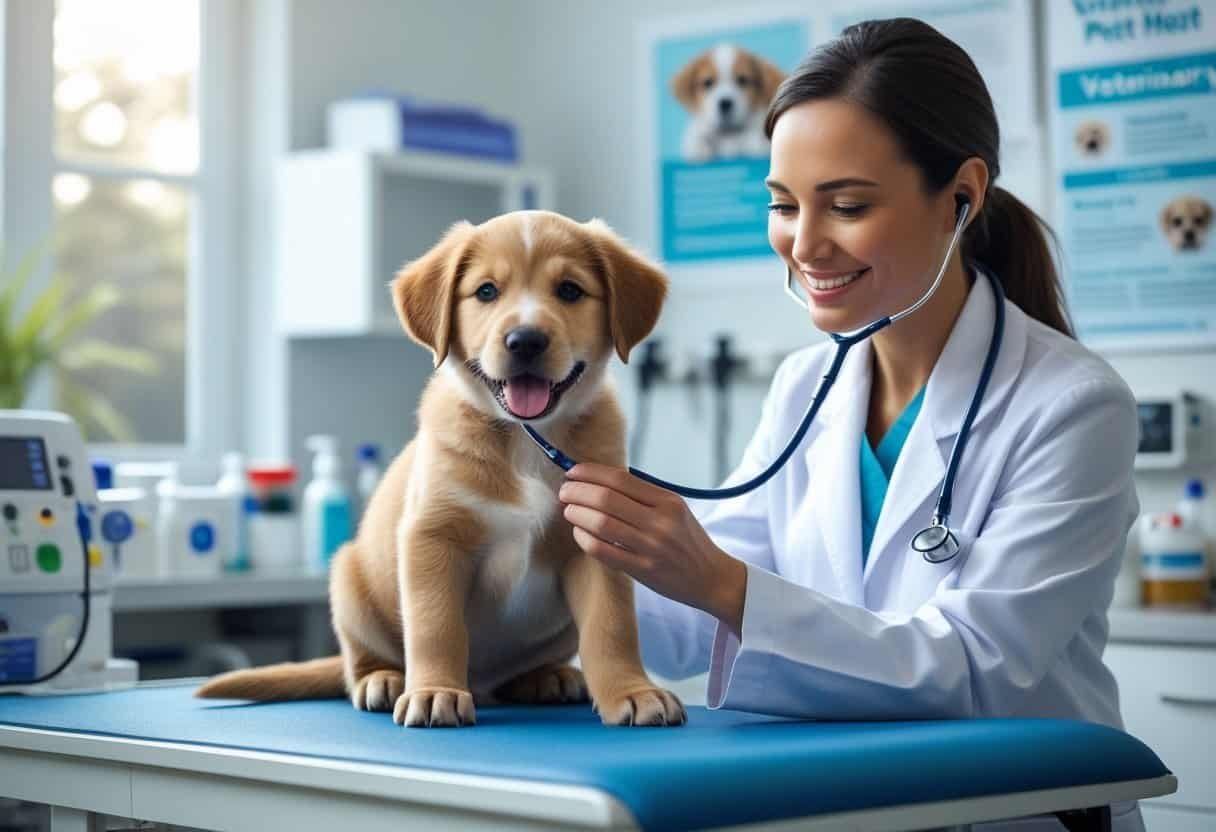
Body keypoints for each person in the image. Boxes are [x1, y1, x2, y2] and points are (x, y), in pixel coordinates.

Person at [557, 17, 1143, 832]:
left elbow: (983, 667)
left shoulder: (1072, 404)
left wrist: (717, 582)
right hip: (838, 801)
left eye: (848, 206)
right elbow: (694, 614)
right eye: (784, 205)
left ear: (961, 198)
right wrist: (532, 576)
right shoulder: (807, 387)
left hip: (1007, 814)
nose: (804, 245)